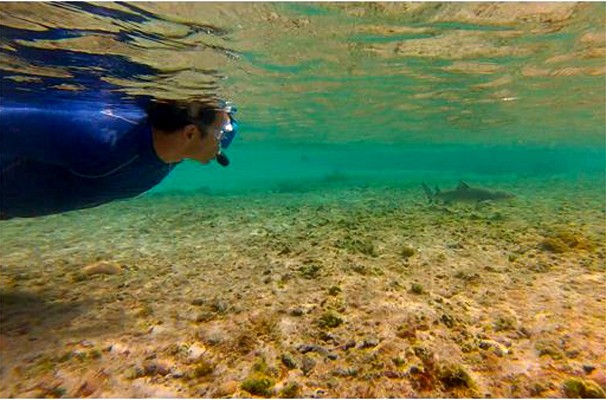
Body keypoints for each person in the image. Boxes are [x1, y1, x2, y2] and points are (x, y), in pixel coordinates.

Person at [0, 100, 238, 220]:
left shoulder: (177, 149)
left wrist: (223, 121)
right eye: (223, 132)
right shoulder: (101, 140)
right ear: (189, 133)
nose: (224, 144)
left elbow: (214, 133)